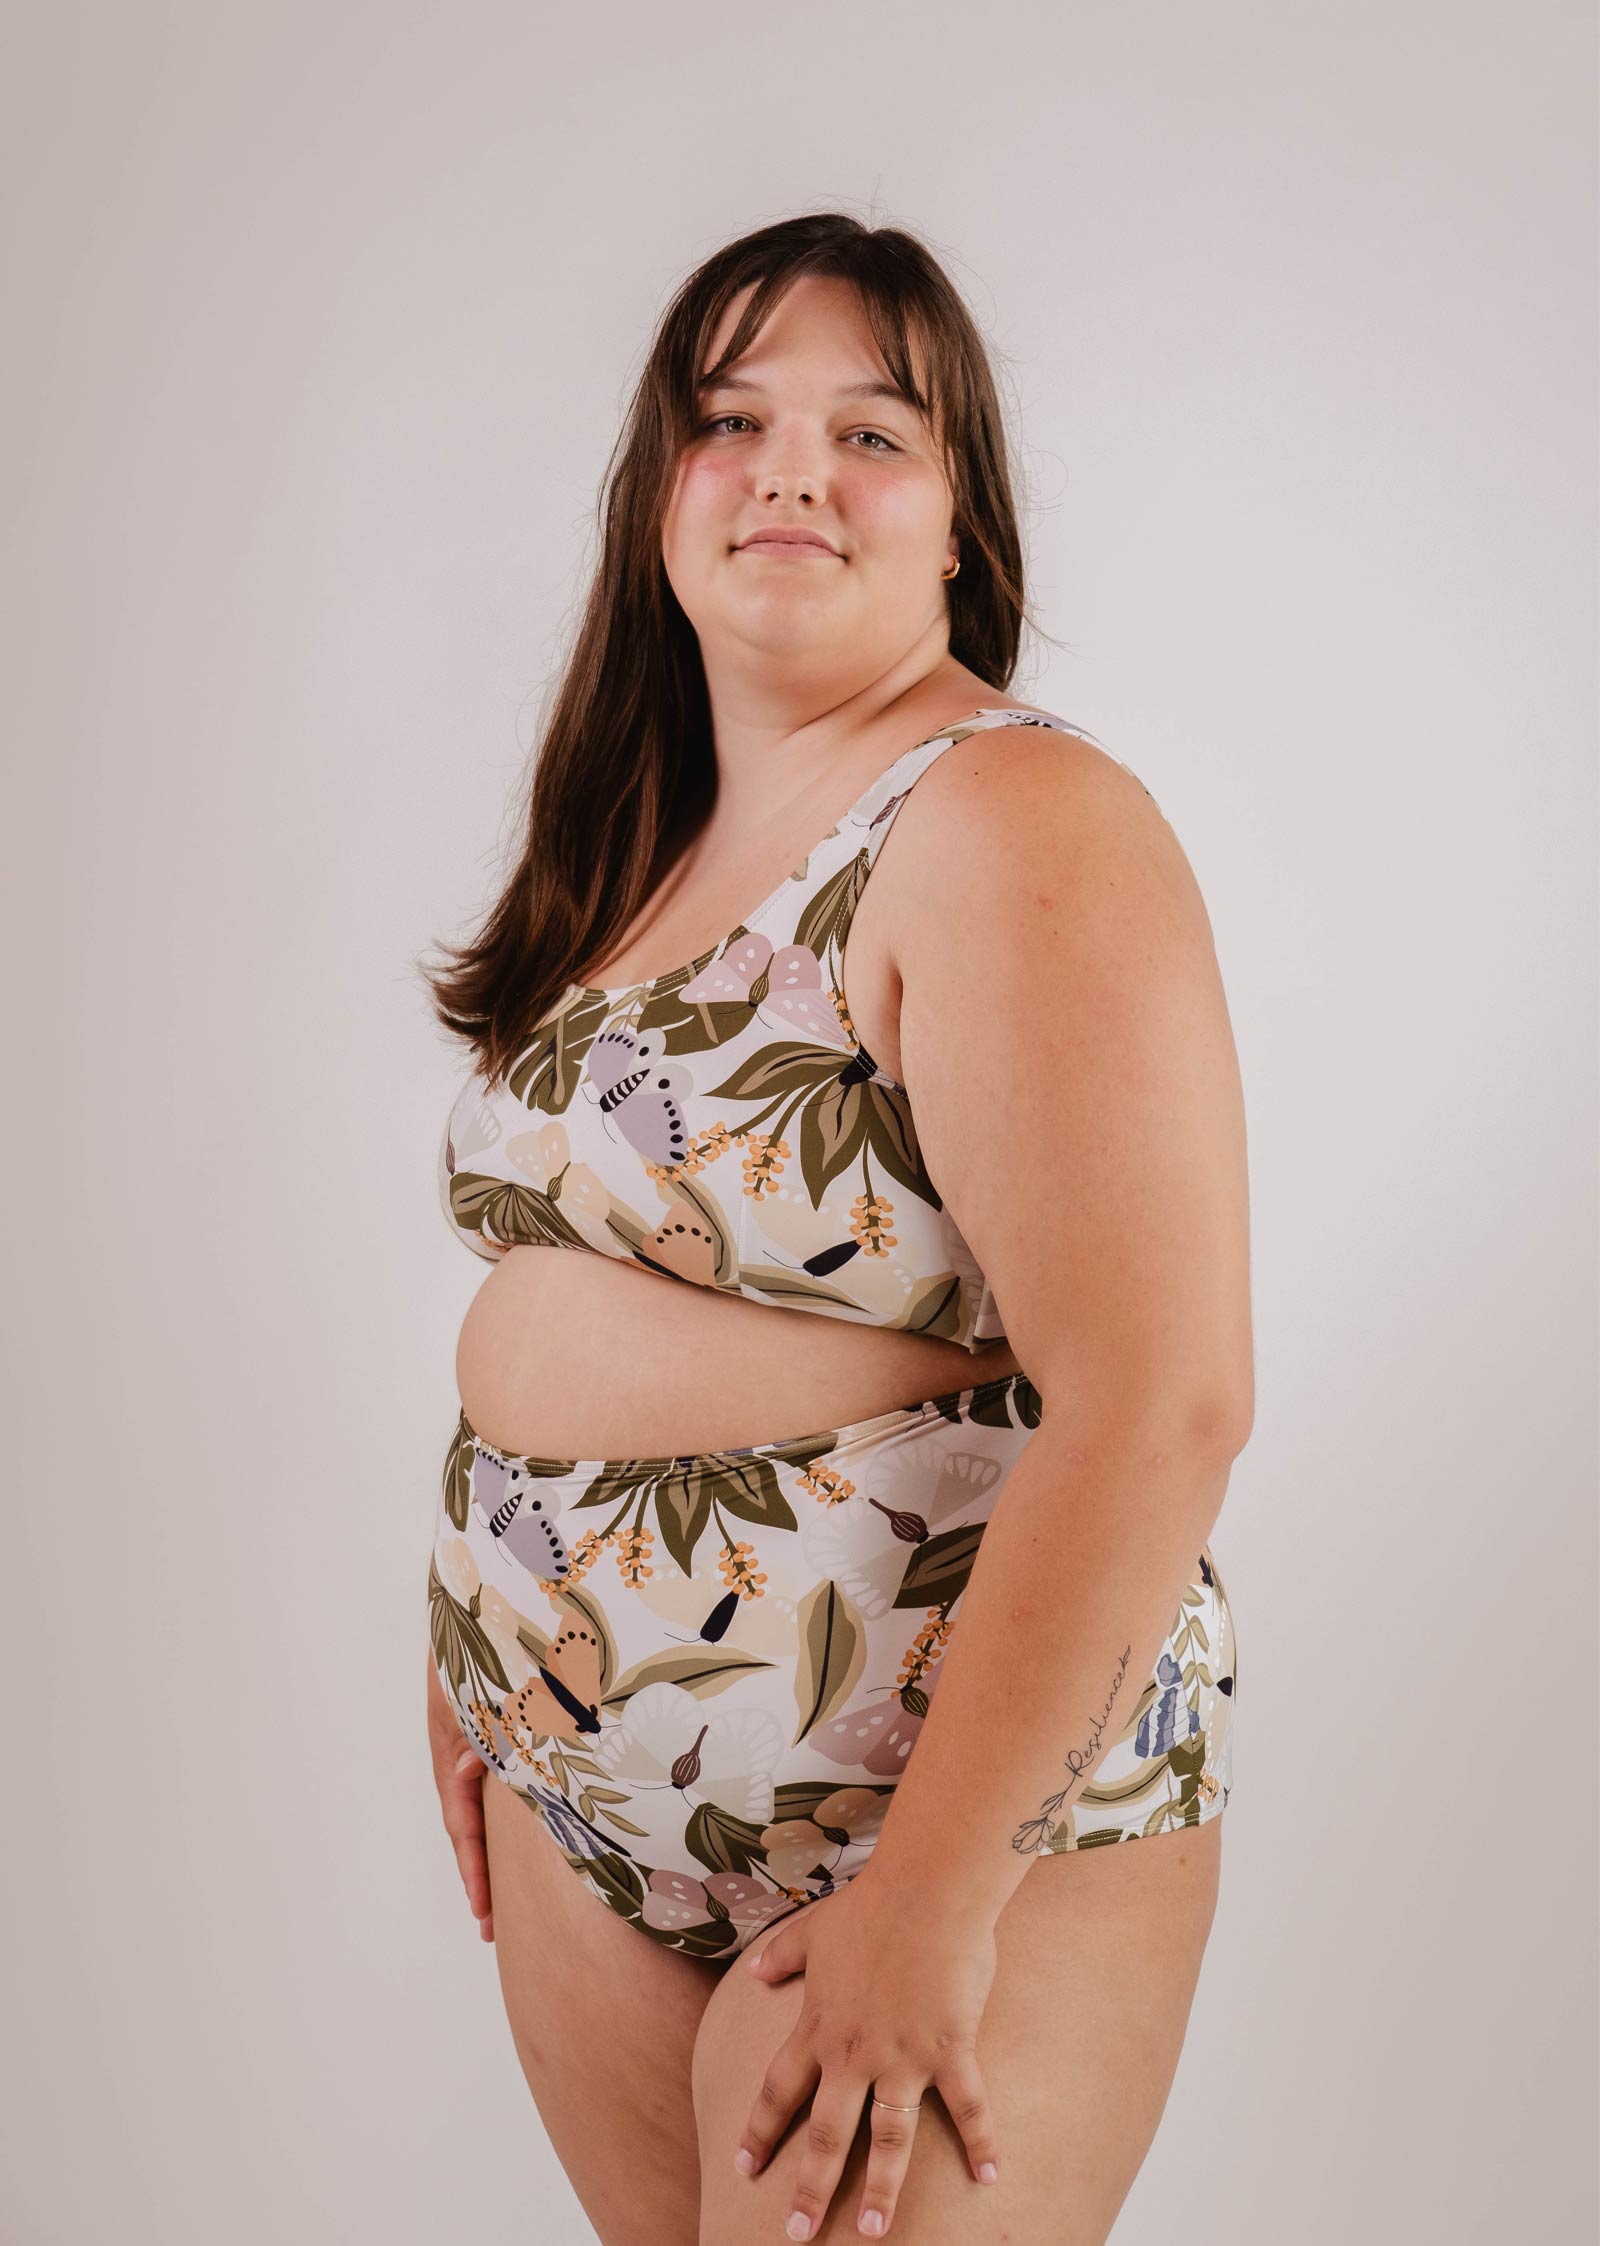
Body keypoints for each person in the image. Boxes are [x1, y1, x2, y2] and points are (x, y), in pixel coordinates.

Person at [419, 211, 1252, 2246]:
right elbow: (561, 1305)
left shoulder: (1006, 818)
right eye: (729, 421)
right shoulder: (640, 855)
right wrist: (475, 1650)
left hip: (930, 1813)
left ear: (956, 523)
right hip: (574, 1796)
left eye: (868, 431)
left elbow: (1160, 1399)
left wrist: (929, 1899)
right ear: (656, 499)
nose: (790, 470)